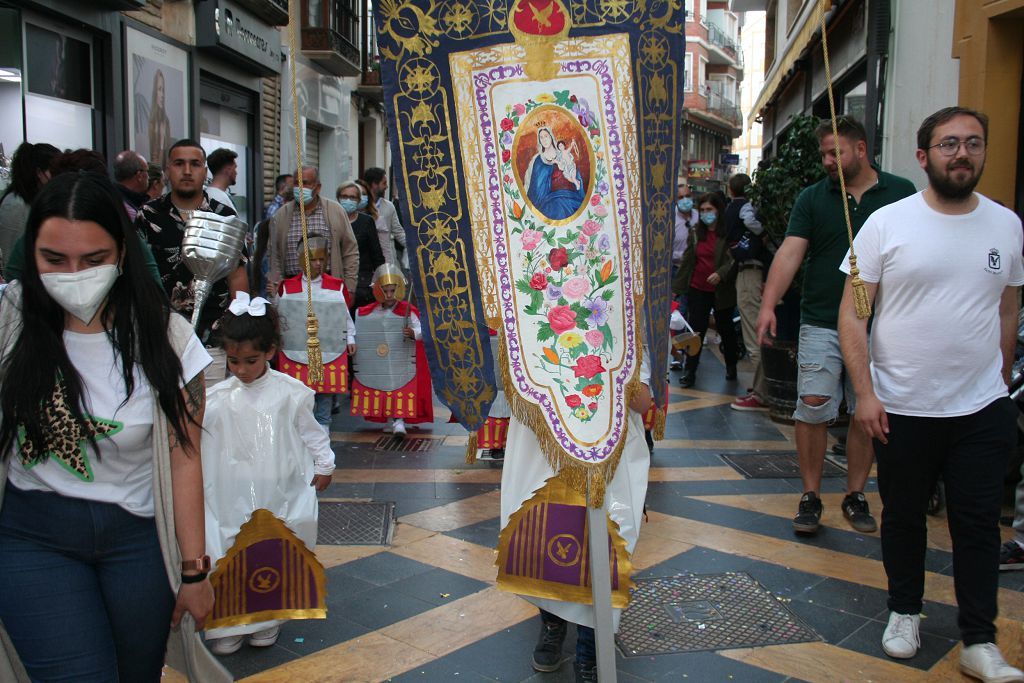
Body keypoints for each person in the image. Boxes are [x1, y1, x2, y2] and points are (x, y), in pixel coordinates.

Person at [0, 172, 228, 682]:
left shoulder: (167, 339)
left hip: (139, 543)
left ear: (123, 255)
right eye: (54, 260)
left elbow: (184, 455)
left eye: (94, 259)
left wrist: (194, 571)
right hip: (32, 538)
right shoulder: (9, 320)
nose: (74, 274)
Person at [838, 107, 1024, 682]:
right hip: (902, 405)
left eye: (972, 142)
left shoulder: (1007, 225)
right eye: (948, 144)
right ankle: (904, 611)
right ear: (924, 157)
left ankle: (979, 640)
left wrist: (998, 381)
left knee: (976, 524)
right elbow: (853, 311)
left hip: (982, 407)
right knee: (904, 518)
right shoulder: (888, 224)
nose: (961, 153)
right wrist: (865, 394)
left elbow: (1007, 308)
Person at [755, 115, 915, 535]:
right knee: (811, 405)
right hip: (823, 318)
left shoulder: (901, 194)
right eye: (823, 153)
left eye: (835, 152)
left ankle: (855, 493)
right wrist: (768, 304)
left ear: (860, 149)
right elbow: (790, 252)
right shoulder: (813, 198)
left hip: (882, 324)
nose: (827, 160)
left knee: (868, 409)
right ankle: (810, 495)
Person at [505, 350, 653, 682]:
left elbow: (643, 401)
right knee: (550, 536)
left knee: (606, 549)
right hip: (552, 452)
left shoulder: (623, 318)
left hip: (609, 457)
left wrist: (611, 373)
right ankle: (553, 622)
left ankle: (590, 651)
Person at [202, 291, 335, 655]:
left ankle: (268, 619)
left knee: (272, 551)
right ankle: (226, 622)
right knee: (227, 545)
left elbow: (312, 433)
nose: (241, 370)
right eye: (233, 361)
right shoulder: (217, 398)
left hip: (278, 489)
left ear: (271, 352)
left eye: (250, 360)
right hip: (229, 491)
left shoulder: (291, 394)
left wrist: (325, 463)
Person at [136, 139, 248, 346]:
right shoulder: (147, 215)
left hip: (214, 337)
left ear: (205, 172)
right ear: (168, 170)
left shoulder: (224, 215)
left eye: (195, 164)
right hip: (162, 337)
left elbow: (237, 276)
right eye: (179, 164)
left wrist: (240, 330)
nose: (187, 171)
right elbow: (138, 274)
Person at [276, 234, 355, 431]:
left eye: (321, 259)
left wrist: (351, 337)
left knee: (324, 398)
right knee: (299, 400)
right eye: (313, 259)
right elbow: (279, 318)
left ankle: (323, 440)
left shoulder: (336, 286)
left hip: (328, 349)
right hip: (295, 350)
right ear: (303, 259)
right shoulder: (287, 287)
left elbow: (344, 315)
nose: (318, 263)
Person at [350, 264, 433, 436]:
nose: (389, 295)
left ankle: (399, 420)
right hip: (379, 359)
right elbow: (356, 332)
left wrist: (413, 333)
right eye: (385, 291)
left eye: (392, 290)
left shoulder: (409, 311)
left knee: (399, 389)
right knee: (381, 386)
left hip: (401, 359)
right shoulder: (366, 312)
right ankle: (390, 418)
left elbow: (423, 331)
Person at [672, 192, 739, 388]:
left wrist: (721, 273)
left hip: (722, 290)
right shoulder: (695, 232)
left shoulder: (728, 233)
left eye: (709, 209)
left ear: (718, 210)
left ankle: (731, 366)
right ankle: (690, 371)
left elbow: (733, 259)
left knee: (725, 329)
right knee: (696, 331)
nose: (705, 213)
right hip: (698, 288)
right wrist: (677, 289)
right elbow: (688, 261)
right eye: (702, 210)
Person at [268, 166, 359, 292]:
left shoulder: (335, 211)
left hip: (328, 287)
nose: (300, 188)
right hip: (292, 288)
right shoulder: (280, 215)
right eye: (296, 183)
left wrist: (350, 288)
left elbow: (350, 252)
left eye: (304, 183)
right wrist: (277, 287)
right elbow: (274, 254)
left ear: (317, 187)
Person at [726, 173, 771, 412]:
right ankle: (760, 387)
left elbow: (751, 222)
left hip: (750, 272)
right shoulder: (747, 206)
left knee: (754, 333)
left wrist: (762, 234)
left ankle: (762, 392)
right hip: (752, 271)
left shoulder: (742, 207)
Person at [0, 141, 59, 274]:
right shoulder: (16, 205)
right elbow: (11, 259)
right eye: (54, 171)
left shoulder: (34, 201)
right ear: (39, 172)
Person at [337, 181, 385, 309]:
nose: (348, 200)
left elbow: (377, 257)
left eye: (352, 197)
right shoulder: (332, 220)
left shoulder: (366, 221)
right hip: (336, 282)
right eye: (344, 196)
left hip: (362, 285)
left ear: (359, 200)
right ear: (338, 198)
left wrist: (382, 283)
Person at [523, 127, 586, 221]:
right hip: (547, 199)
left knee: (567, 206)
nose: (544, 139)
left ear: (551, 137)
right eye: (541, 137)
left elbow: (572, 169)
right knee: (558, 207)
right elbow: (535, 186)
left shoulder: (561, 153)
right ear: (539, 141)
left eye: (546, 136)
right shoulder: (539, 160)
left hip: (568, 194)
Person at [362, 166, 407, 267]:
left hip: (385, 262)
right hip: (364, 262)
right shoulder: (360, 206)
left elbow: (399, 232)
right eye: (384, 183)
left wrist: (415, 246)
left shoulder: (389, 207)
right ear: (374, 184)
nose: (386, 187)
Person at [113, 150, 150, 221]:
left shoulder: (112, 196)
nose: (148, 176)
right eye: (147, 171)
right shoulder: (130, 213)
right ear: (139, 176)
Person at [148, 69, 172, 168]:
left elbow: (169, 160)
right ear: (155, 92)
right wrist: (161, 142)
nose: (162, 95)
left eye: (163, 90)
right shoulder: (152, 123)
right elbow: (154, 163)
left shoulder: (166, 121)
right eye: (159, 89)